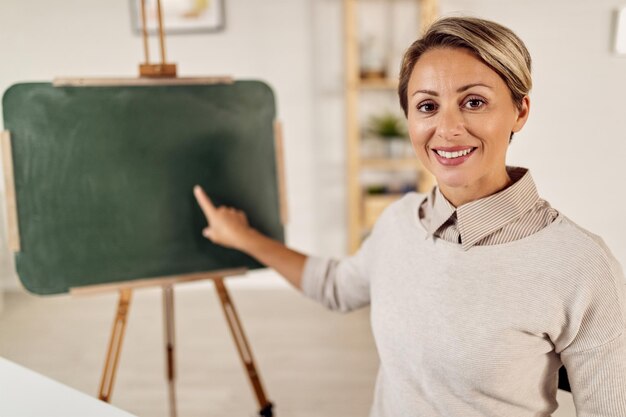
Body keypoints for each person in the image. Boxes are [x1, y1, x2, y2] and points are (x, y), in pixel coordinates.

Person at [193, 16, 626, 417]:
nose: (448, 127)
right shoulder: (399, 222)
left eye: (474, 102)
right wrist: (245, 238)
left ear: (520, 111)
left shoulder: (582, 265)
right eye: (426, 106)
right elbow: (335, 287)